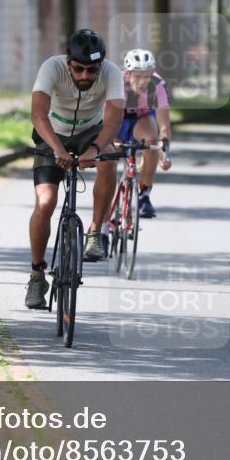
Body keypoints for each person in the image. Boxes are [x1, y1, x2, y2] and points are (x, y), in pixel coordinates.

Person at [25, 29, 124, 309]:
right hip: (51, 134)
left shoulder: (111, 72)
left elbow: (113, 119)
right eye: (78, 69)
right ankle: (36, 274)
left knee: (110, 155)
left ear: (100, 66)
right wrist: (57, 149)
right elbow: (37, 114)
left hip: (89, 133)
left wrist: (95, 150)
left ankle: (94, 231)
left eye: (92, 70)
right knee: (45, 202)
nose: (85, 76)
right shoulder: (52, 67)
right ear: (69, 62)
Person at [118, 48, 172, 218]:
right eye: (138, 76)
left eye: (147, 76)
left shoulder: (157, 86)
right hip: (116, 120)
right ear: (128, 73)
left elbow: (164, 126)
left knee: (152, 141)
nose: (143, 82)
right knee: (109, 157)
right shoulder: (117, 83)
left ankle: (144, 194)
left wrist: (164, 154)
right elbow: (105, 121)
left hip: (141, 119)